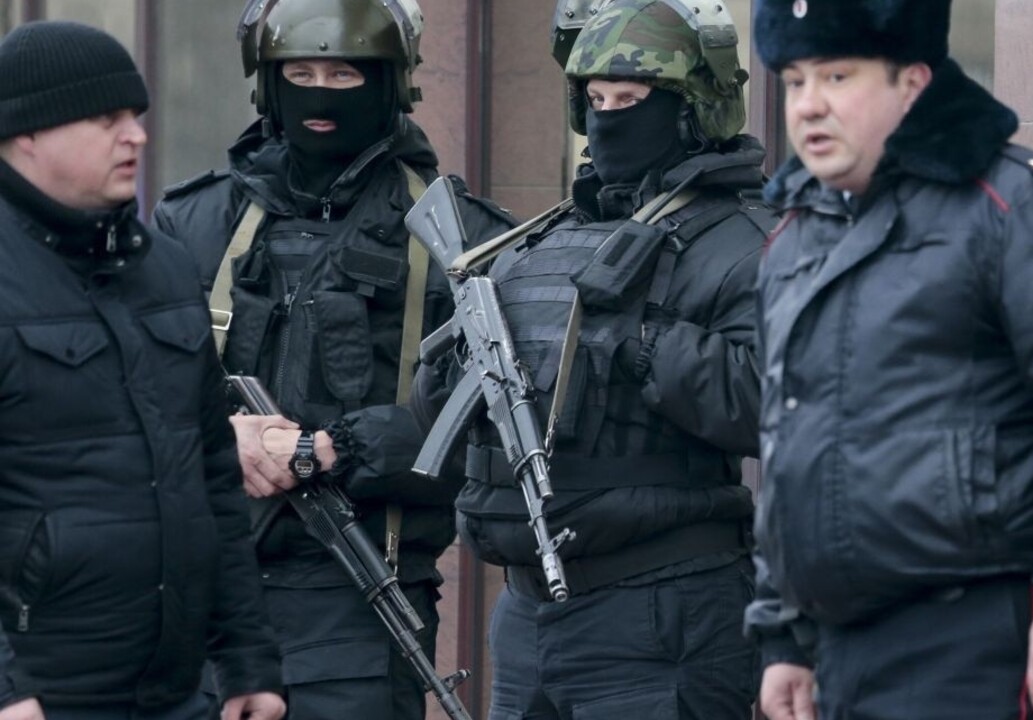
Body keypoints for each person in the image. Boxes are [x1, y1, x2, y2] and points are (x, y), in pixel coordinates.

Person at [745, 1, 1033, 719]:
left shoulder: (1017, 204)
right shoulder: (793, 238)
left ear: (913, 81)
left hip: (973, 638)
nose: (809, 105)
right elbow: (789, 446)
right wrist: (783, 633)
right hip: (839, 650)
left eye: (838, 77)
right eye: (793, 81)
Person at [151, 1, 514, 718]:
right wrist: (219, 437)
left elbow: (491, 425)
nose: (320, 95)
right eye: (301, 74)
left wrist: (328, 450)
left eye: (344, 74)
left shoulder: (459, 239)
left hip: (360, 606)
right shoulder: (195, 223)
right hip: (199, 606)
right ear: (268, 83)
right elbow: (121, 395)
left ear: (389, 82)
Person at [411, 0, 771, 717]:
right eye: (595, 100)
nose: (607, 120)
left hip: (664, 612)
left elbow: (771, 404)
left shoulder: (746, 242)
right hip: (528, 615)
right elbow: (436, 421)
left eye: (629, 100)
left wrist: (644, 339)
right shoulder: (538, 242)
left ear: (692, 108)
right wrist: (456, 360)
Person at [0, 20, 285, 720]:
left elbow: (211, 478)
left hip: (171, 694)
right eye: (107, 120)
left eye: (136, 116)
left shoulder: (163, 267)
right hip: (39, 698)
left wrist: (246, 660)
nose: (136, 136)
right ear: (26, 132)